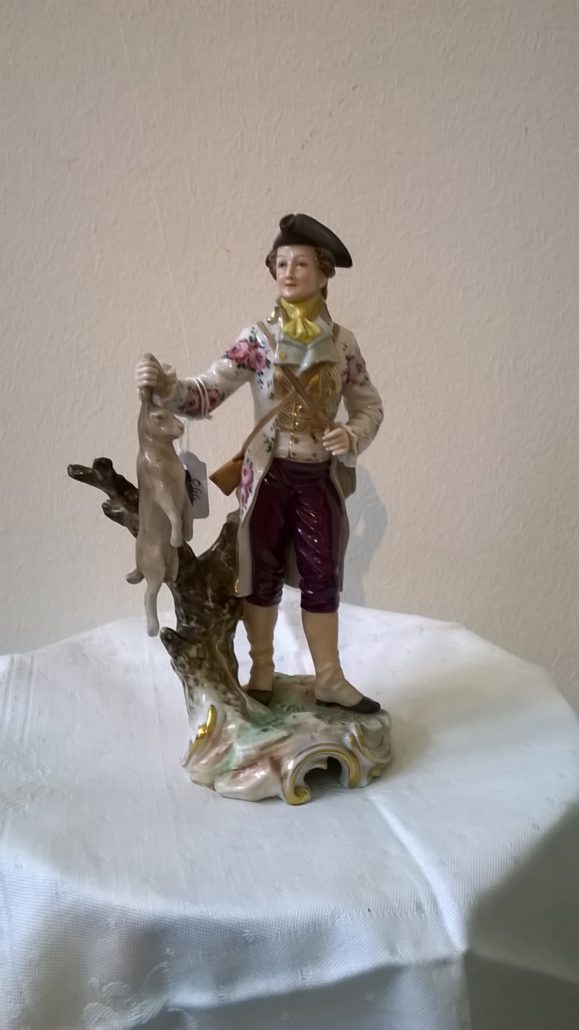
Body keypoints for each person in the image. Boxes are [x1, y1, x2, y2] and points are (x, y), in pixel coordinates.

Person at [136, 214, 383, 713]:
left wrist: (351, 434)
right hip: (267, 477)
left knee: (322, 574)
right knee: (259, 572)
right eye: (281, 263)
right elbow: (206, 394)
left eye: (301, 263)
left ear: (323, 273)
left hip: (318, 476)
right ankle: (262, 670)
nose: (289, 273)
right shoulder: (258, 340)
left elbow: (369, 405)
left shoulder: (343, 343)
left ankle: (329, 677)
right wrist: (167, 387)